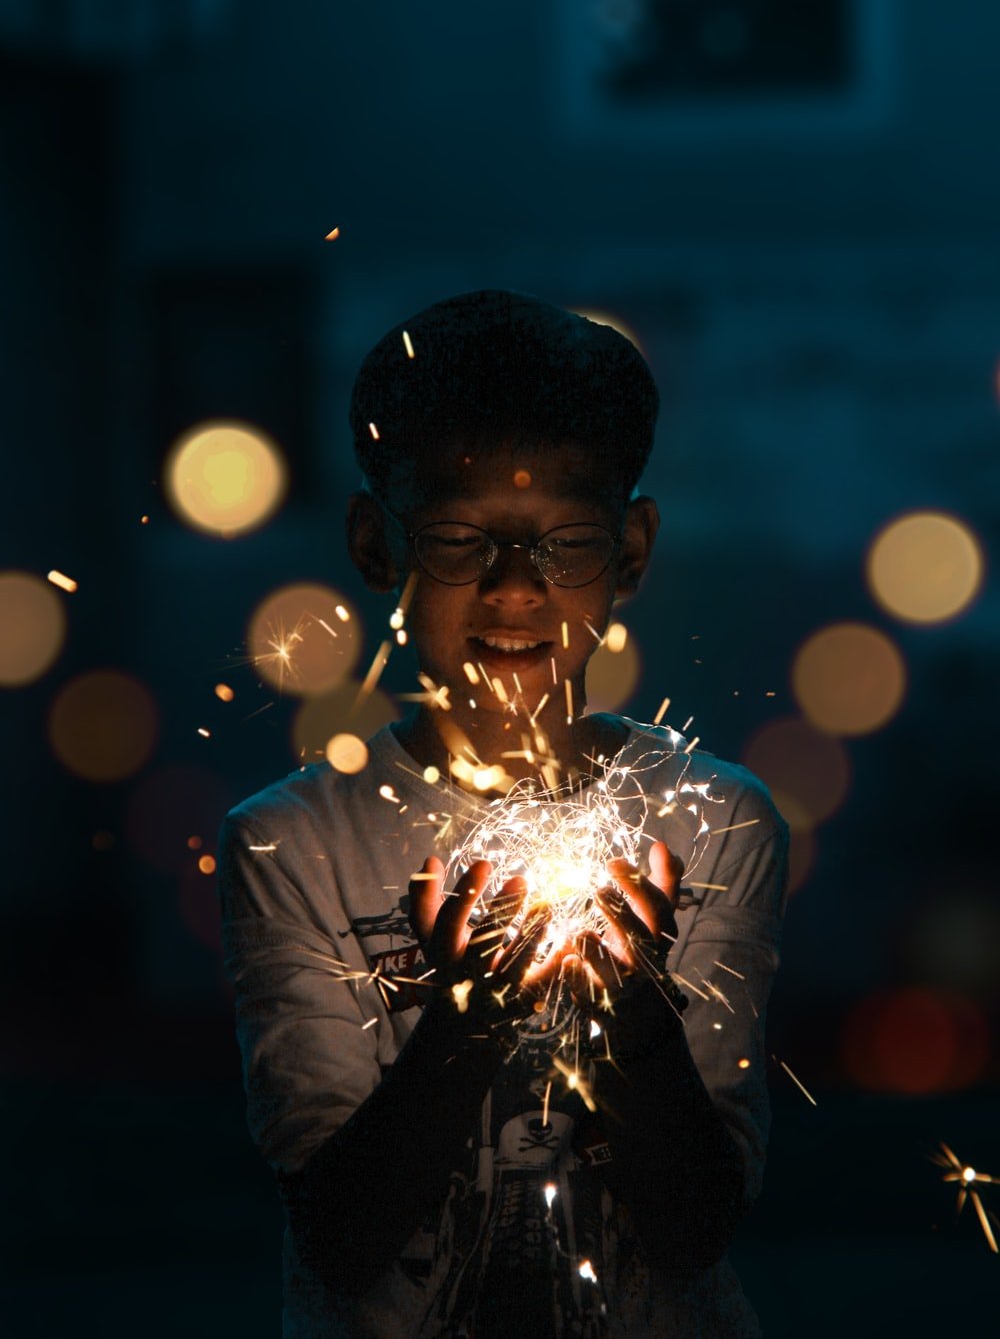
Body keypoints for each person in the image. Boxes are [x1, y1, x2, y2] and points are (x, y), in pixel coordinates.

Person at [217, 288, 789, 1338]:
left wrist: (631, 1019)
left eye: (564, 542)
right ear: (374, 543)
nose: (515, 589)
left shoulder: (716, 826)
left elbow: (697, 1227)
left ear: (629, 552)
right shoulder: (289, 843)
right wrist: (467, 1017)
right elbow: (341, 1237)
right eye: (458, 539)